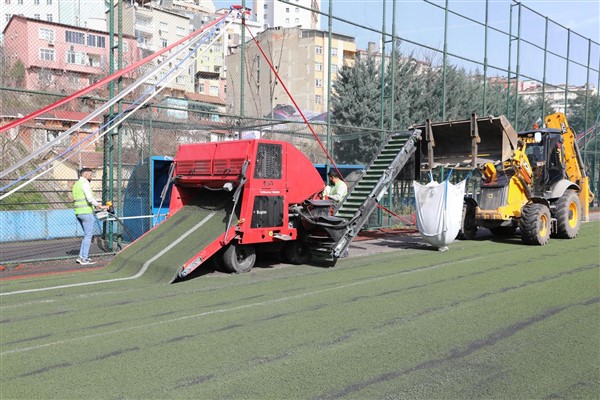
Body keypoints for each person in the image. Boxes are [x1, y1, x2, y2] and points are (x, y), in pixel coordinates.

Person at [72, 168, 107, 265]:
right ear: (86, 174)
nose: (91, 177)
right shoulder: (85, 183)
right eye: (91, 175)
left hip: (78, 213)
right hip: (86, 212)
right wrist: (98, 205)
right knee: (88, 235)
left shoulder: (76, 184)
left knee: (86, 235)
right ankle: (84, 258)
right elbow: (89, 198)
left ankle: (82, 256)